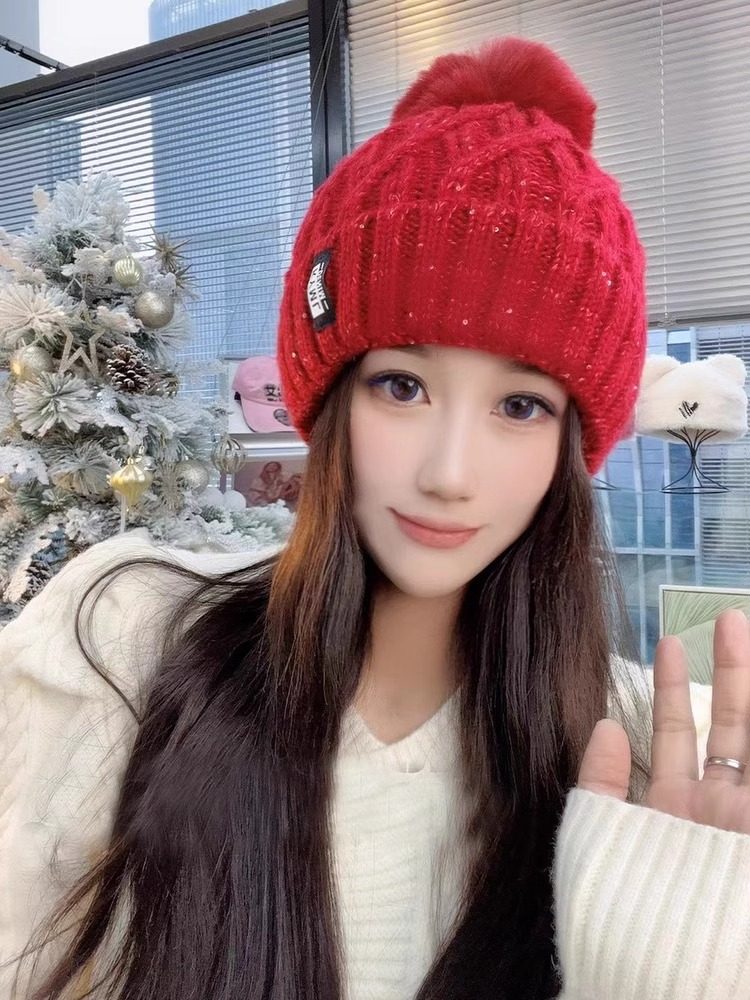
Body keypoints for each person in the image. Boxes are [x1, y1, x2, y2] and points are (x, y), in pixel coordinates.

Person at [1, 34, 749, 1000]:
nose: (449, 473)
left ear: (570, 451)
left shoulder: (648, 758)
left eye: (521, 406)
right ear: (329, 401)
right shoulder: (120, 642)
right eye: (401, 386)